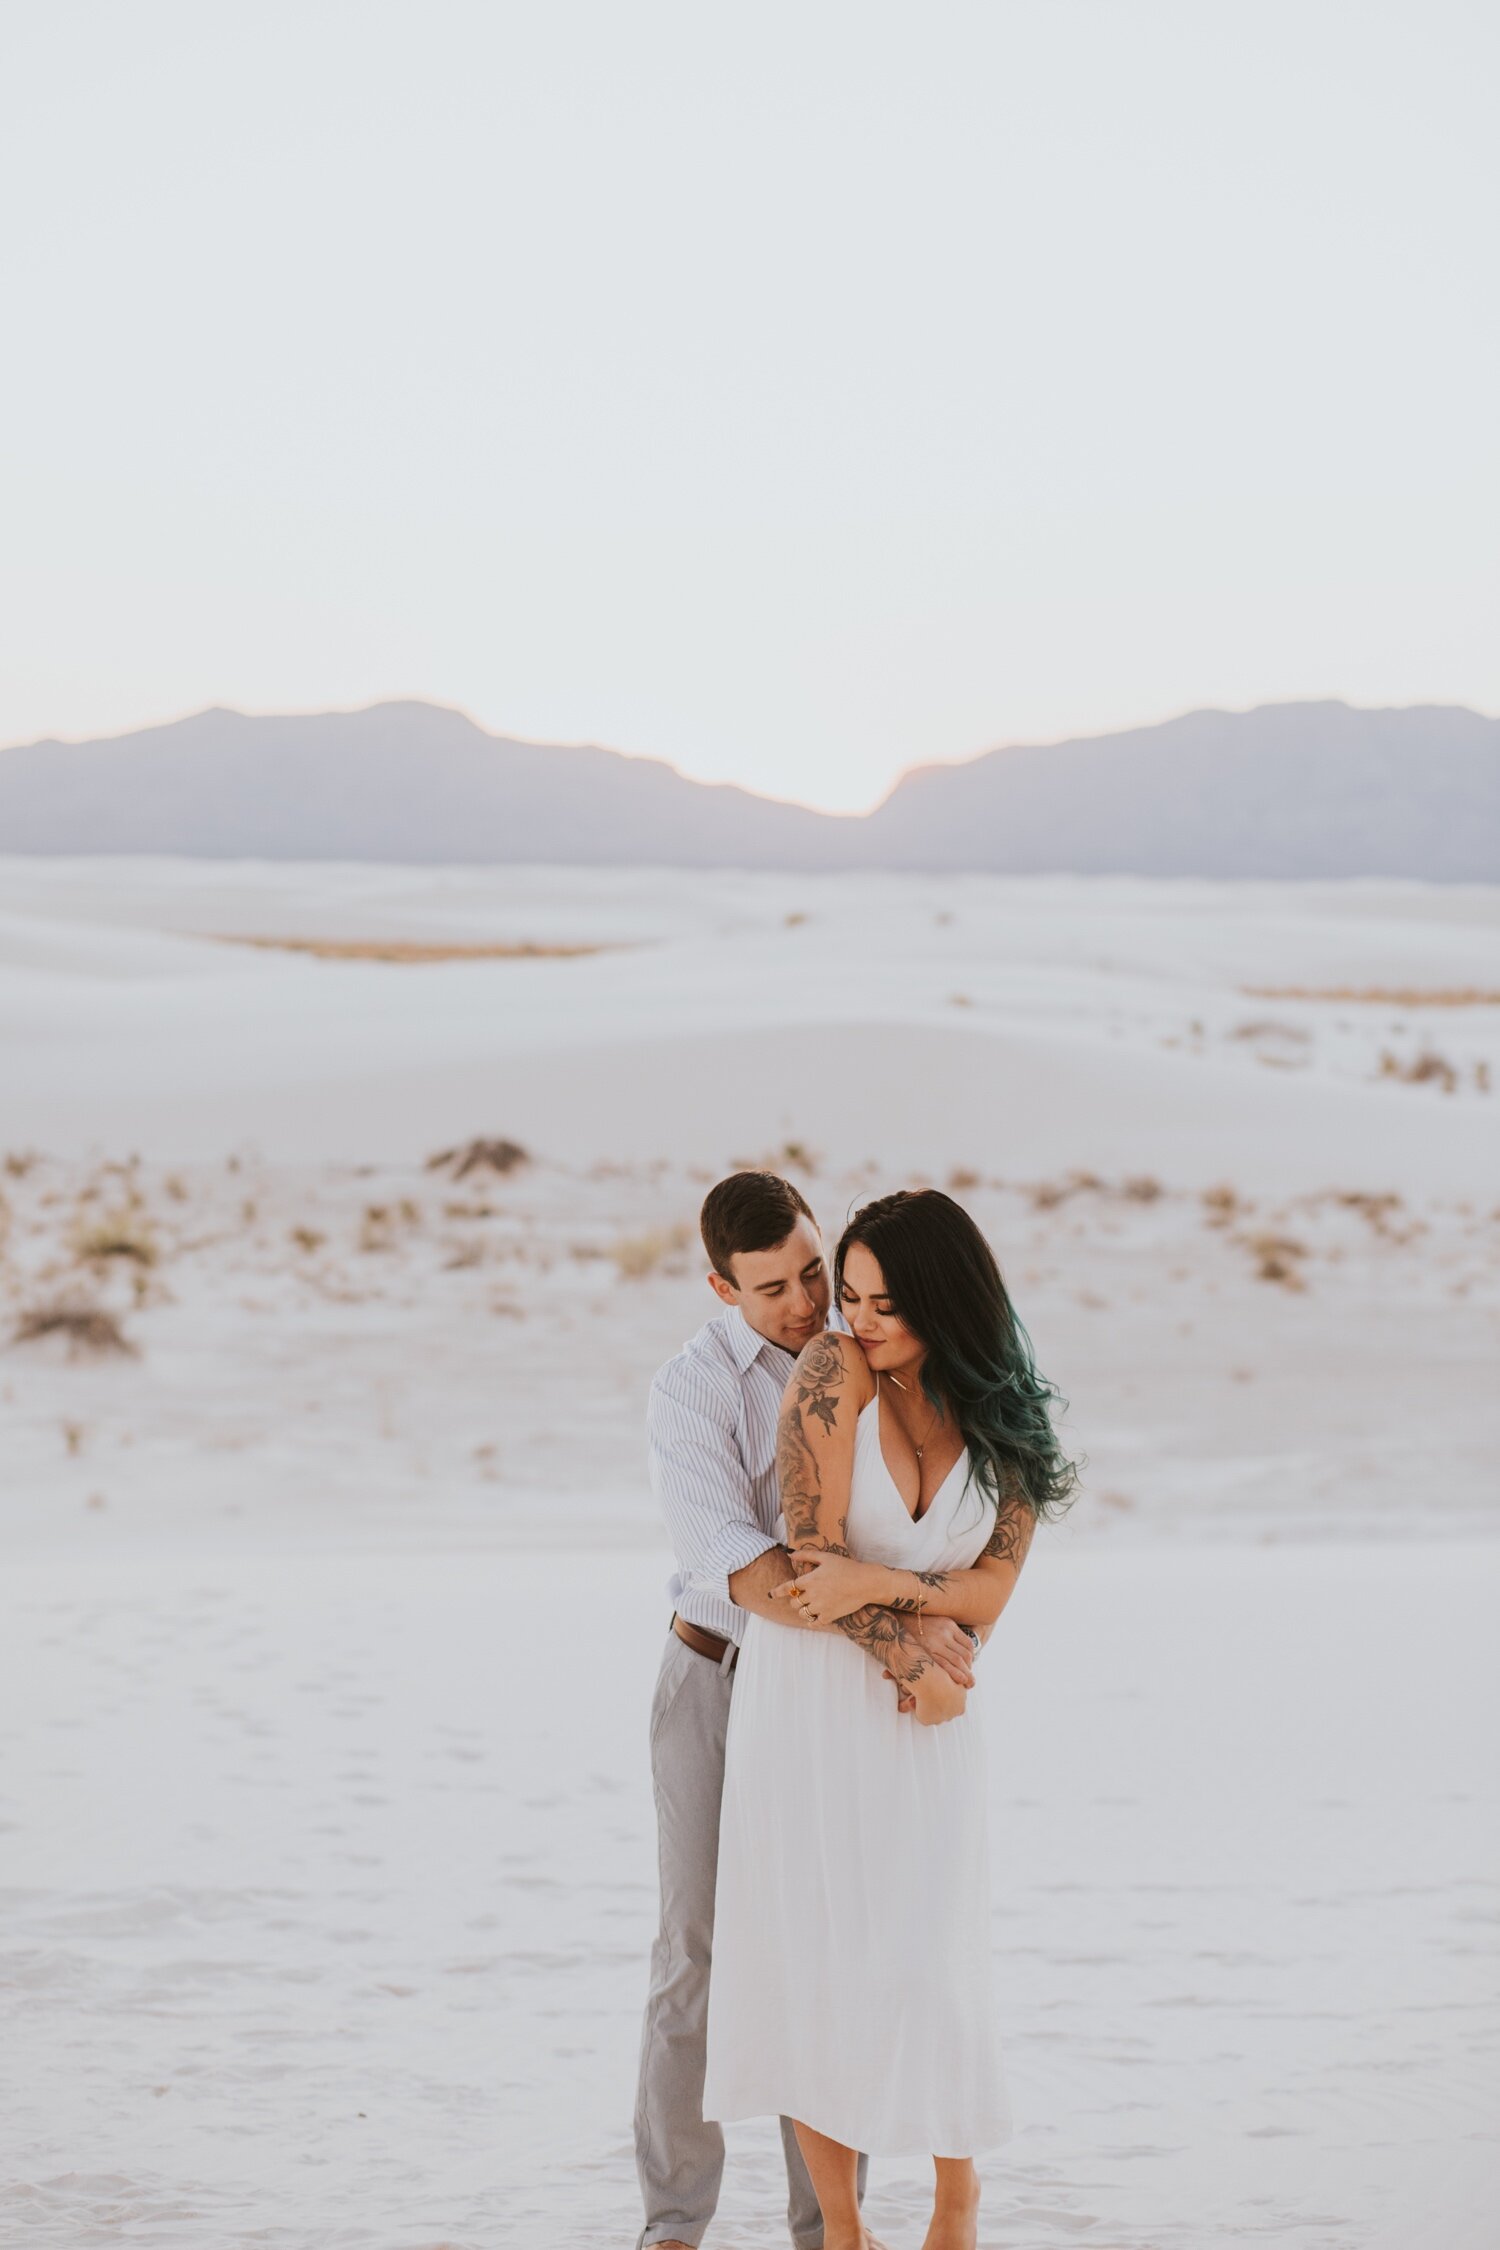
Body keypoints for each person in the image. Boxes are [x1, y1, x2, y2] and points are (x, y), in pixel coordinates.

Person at [703, 1189, 1078, 2250]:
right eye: (850, 1293)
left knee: (929, 1951)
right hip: (816, 1702)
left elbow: (989, 1597)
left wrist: (913, 1623)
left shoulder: (1008, 1417)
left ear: (951, 1306)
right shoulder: (831, 1375)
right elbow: (815, 1572)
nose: (857, 1318)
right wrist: (909, 1636)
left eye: (887, 1304)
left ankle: (957, 2198)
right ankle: (847, 2229)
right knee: (818, 1952)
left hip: (934, 1719)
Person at [635, 1173, 982, 2250]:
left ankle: (824, 2225)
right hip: (718, 1676)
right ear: (720, 1285)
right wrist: (904, 1635)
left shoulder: (880, 1353)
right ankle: (675, 2223)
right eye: (772, 1287)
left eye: (812, 1272)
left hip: (842, 1704)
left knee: (843, 1948)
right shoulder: (689, 1390)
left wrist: (921, 1631)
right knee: (698, 1953)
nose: (804, 1301)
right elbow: (741, 1570)